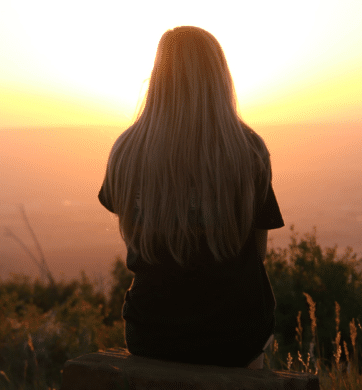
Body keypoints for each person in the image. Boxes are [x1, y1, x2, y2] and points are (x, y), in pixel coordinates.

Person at [97, 26, 285, 369]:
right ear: (219, 78)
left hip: (151, 333)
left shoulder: (126, 151)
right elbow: (258, 254)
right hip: (235, 335)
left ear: (158, 76)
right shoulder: (249, 152)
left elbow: (133, 232)